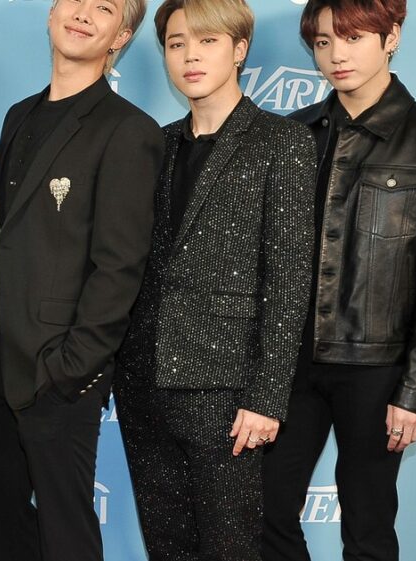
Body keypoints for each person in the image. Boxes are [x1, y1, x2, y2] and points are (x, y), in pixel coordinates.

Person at [113, 1, 316, 559]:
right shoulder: (155, 143)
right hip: (144, 381)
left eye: (207, 41)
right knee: (167, 547)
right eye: (176, 44)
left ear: (239, 49)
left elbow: (289, 278)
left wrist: (267, 396)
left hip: (228, 391)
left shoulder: (283, 143)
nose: (190, 56)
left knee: (231, 548)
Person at [0, 1, 163, 560]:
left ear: (120, 35)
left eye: (105, 8)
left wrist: (72, 367)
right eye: (75, 0)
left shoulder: (129, 131)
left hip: (57, 371)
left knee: (66, 533)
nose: (84, 14)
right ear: (52, 13)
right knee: (2, 528)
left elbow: (120, 265)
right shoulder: (18, 115)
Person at [261, 1, 416, 559]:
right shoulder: (293, 134)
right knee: (263, 513)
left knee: (368, 527)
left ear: (392, 38)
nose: (336, 55)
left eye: (354, 38)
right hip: (290, 364)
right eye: (322, 42)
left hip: (378, 369)